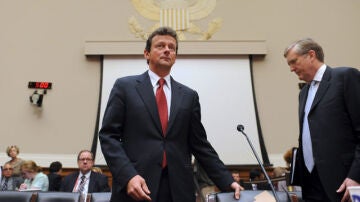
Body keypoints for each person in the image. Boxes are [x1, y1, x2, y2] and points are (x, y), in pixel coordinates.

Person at [99, 26, 242, 202]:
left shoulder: (189, 96)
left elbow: (200, 145)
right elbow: (108, 136)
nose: (167, 50)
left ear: (175, 56)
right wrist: (128, 176)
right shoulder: (125, 87)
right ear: (146, 54)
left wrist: (227, 181)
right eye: (160, 46)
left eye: (172, 47)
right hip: (136, 186)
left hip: (178, 189)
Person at [284, 38, 360, 201]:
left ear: (311, 55)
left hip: (344, 181)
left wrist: (356, 176)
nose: (291, 69)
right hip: (310, 183)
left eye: (294, 62)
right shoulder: (303, 93)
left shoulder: (344, 77)